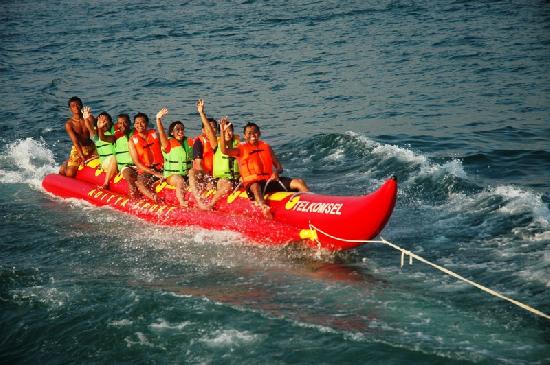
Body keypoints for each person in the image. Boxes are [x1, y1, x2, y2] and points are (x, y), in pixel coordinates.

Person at [220, 120, 309, 218]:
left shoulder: (266, 147)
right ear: (244, 136)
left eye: (255, 132)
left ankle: (311, 206)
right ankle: (264, 210)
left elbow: (279, 166)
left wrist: (276, 172)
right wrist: (222, 132)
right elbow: (224, 150)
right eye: (249, 133)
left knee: (299, 182)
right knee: (256, 187)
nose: (253, 135)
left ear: (259, 133)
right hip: (253, 184)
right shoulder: (240, 149)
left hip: (269, 181)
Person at [155, 107, 204, 208]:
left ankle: (200, 200)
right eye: (177, 130)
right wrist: (158, 119)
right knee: (180, 181)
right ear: (172, 133)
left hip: (186, 173)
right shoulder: (167, 143)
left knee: (195, 175)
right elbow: (161, 134)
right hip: (172, 175)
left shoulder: (189, 141)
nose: (181, 131)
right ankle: (182, 202)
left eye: (182, 129)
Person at [97, 113, 138, 198]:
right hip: (125, 166)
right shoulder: (116, 137)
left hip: (138, 165)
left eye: (125, 122)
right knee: (128, 176)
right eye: (120, 123)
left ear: (130, 123)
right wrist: (100, 128)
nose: (122, 125)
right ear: (117, 124)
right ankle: (134, 199)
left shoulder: (135, 133)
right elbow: (103, 138)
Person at [127, 112, 164, 202]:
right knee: (140, 183)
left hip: (161, 167)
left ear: (147, 123)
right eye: (136, 123)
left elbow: (165, 145)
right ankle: (155, 199)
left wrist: (158, 119)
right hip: (146, 171)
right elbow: (137, 163)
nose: (139, 125)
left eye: (142, 122)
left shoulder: (155, 134)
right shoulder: (132, 141)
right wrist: (153, 173)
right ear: (134, 125)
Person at [59, 96, 97, 177]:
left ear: (82, 105)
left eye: (78, 105)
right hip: (78, 149)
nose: (76, 107)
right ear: (70, 109)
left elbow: (95, 129)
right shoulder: (69, 124)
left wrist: (89, 117)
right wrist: (83, 157)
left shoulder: (88, 117)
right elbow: (76, 143)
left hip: (91, 146)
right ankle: (65, 165)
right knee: (70, 174)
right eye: (73, 106)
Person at [83, 108, 117, 189]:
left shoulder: (114, 132)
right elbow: (89, 127)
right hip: (107, 162)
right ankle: (106, 183)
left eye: (105, 121)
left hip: (118, 160)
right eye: (101, 121)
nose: (103, 123)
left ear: (111, 122)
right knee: (114, 158)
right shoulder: (96, 136)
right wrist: (86, 117)